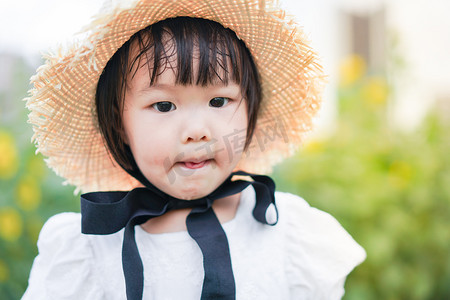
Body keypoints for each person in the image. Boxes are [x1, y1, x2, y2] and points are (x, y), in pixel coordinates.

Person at [22, 0, 366, 299]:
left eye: (219, 101)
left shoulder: (287, 232)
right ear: (118, 125)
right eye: (163, 106)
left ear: (251, 111)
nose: (196, 132)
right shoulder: (88, 250)